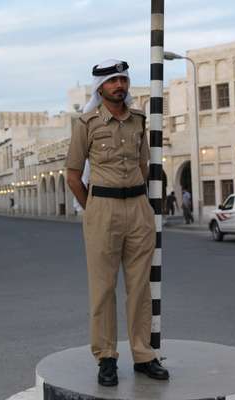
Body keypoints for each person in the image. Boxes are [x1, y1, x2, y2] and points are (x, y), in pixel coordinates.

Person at [66, 59, 169, 387]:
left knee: (140, 288)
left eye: (123, 79)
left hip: (138, 207)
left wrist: (145, 206)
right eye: (112, 81)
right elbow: (72, 174)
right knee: (103, 289)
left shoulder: (139, 120)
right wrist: (93, 208)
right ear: (100, 88)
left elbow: (142, 163)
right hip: (103, 210)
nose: (119, 86)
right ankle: (106, 357)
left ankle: (143, 354)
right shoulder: (86, 123)